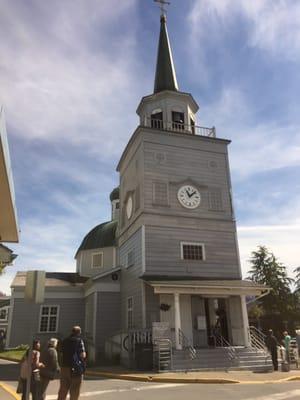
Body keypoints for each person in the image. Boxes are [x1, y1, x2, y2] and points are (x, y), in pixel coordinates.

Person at [57, 326, 86, 400]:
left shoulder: (64, 340)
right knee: (74, 390)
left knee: (63, 389)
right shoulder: (79, 341)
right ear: (79, 332)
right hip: (75, 368)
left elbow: (60, 353)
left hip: (64, 367)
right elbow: (82, 355)